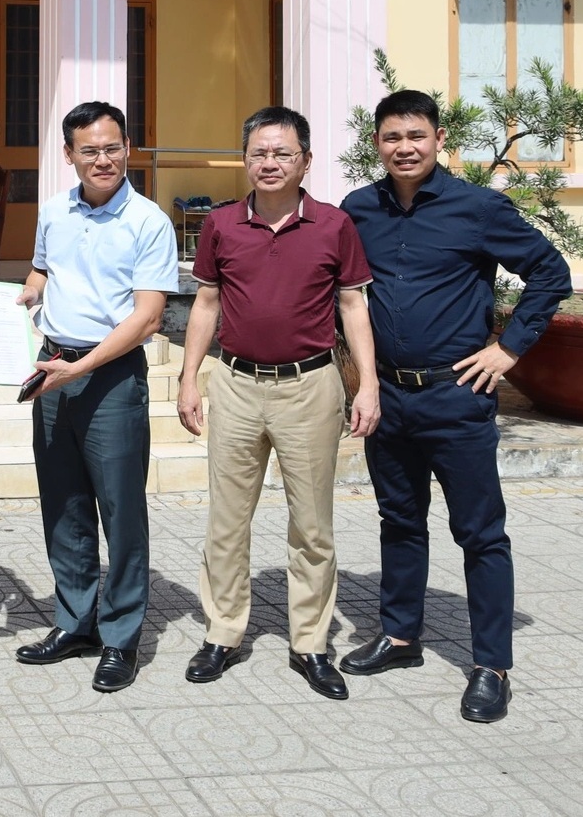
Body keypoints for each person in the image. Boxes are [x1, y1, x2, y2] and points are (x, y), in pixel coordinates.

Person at [340, 89, 572, 723]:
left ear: (440, 140)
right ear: (378, 144)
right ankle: (400, 636)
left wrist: (508, 350)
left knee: (479, 533)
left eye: (415, 135)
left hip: (458, 396)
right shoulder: (358, 210)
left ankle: (492, 663)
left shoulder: (478, 209)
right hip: (388, 397)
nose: (404, 147)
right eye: (391, 137)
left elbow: (550, 272)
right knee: (400, 521)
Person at [176, 106, 379, 700]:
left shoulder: (334, 225)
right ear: (245, 160)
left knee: (312, 525)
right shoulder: (220, 225)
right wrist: (190, 378)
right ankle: (222, 633)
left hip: (310, 386)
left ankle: (311, 642)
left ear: (305, 161)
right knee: (226, 520)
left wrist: (365, 383)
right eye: (259, 153)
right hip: (235, 384)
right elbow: (206, 305)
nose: (269, 163)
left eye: (282, 153)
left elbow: (353, 308)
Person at [16, 101, 177, 693]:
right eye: (90, 150)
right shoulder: (55, 211)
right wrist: (19, 296)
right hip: (53, 369)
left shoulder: (149, 221)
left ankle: (120, 635)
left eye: (112, 147)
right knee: (63, 504)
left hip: (109, 375)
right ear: (70, 155)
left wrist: (79, 366)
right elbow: (42, 270)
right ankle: (75, 620)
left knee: (121, 509)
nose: (102, 159)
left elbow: (150, 316)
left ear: (128, 148)